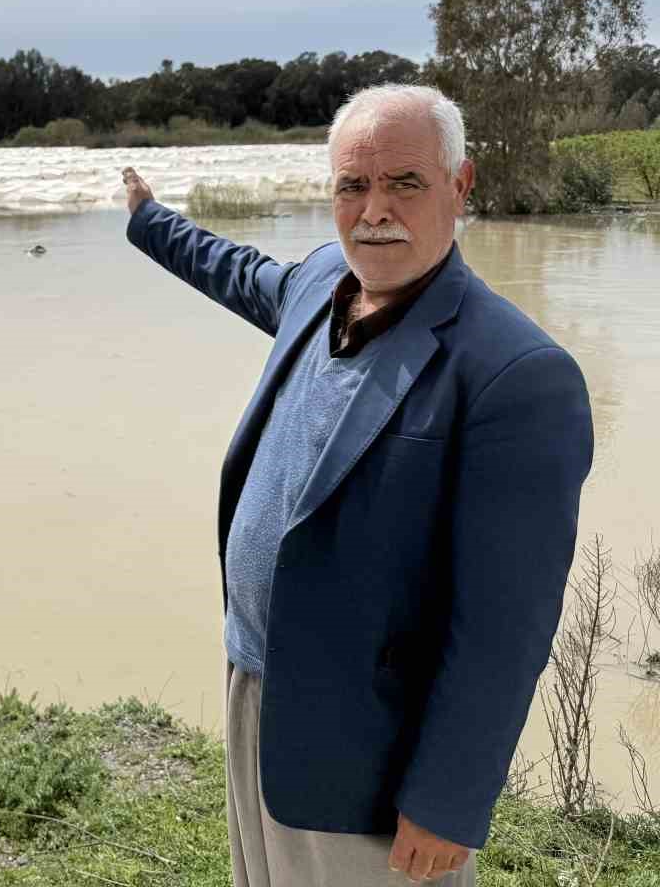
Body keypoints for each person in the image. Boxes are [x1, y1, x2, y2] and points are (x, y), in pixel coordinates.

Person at [120, 84, 592, 886]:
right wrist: (147, 219)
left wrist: (448, 799)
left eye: (405, 182)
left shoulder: (514, 374)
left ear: (461, 185)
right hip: (257, 690)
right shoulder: (316, 289)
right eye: (353, 185)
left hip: (373, 745)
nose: (376, 209)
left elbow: (505, 627)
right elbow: (234, 270)